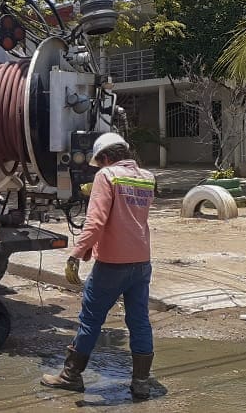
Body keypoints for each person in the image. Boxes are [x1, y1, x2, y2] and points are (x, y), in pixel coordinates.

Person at [40, 133, 158, 400]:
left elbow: (96, 222)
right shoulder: (147, 177)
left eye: (99, 162)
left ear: (104, 157)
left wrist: (76, 254)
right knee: (139, 321)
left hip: (112, 264)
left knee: (91, 320)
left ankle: (70, 376)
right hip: (141, 261)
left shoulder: (107, 176)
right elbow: (129, 214)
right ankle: (141, 382)